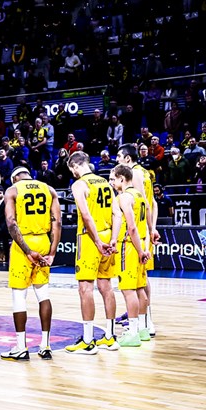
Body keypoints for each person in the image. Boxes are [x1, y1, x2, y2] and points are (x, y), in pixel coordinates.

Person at [0, 167, 61, 361]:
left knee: (19, 296)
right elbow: (57, 223)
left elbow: (10, 222)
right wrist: (51, 252)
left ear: (15, 177)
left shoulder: (13, 190)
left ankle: (21, 347)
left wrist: (27, 250)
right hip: (43, 241)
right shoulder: (49, 189)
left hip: (23, 244)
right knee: (43, 294)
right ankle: (45, 345)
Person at [65, 151, 120, 355]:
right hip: (108, 236)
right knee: (106, 286)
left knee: (85, 288)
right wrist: (112, 240)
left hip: (90, 239)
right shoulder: (106, 183)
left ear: (75, 167)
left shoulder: (80, 184)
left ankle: (88, 341)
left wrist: (97, 241)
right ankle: (110, 337)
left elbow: (86, 215)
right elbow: (117, 214)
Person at [116, 143, 159, 337]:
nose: (116, 160)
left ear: (127, 159)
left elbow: (143, 204)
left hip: (136, 233)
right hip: (144, 229)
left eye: (119, 157)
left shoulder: (136, 175)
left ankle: (145, 322)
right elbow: (152, 203)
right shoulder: (146, 172)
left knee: (139, 282)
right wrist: (153, 228)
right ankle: (143, 322)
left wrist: (150, 230)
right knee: (141, 280)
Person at [109, 165, 152, 347]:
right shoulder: (140, 196)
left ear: (121, 178)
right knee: (140, 288)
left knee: (128, 290)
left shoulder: (124, 197)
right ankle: (143, 329)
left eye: (113, 178)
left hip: (129, 246)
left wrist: (140, 250)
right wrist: (145, 247)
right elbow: (148, 217)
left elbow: (132, 227)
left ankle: (132, 333)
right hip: (141, 242)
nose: (112, 182)